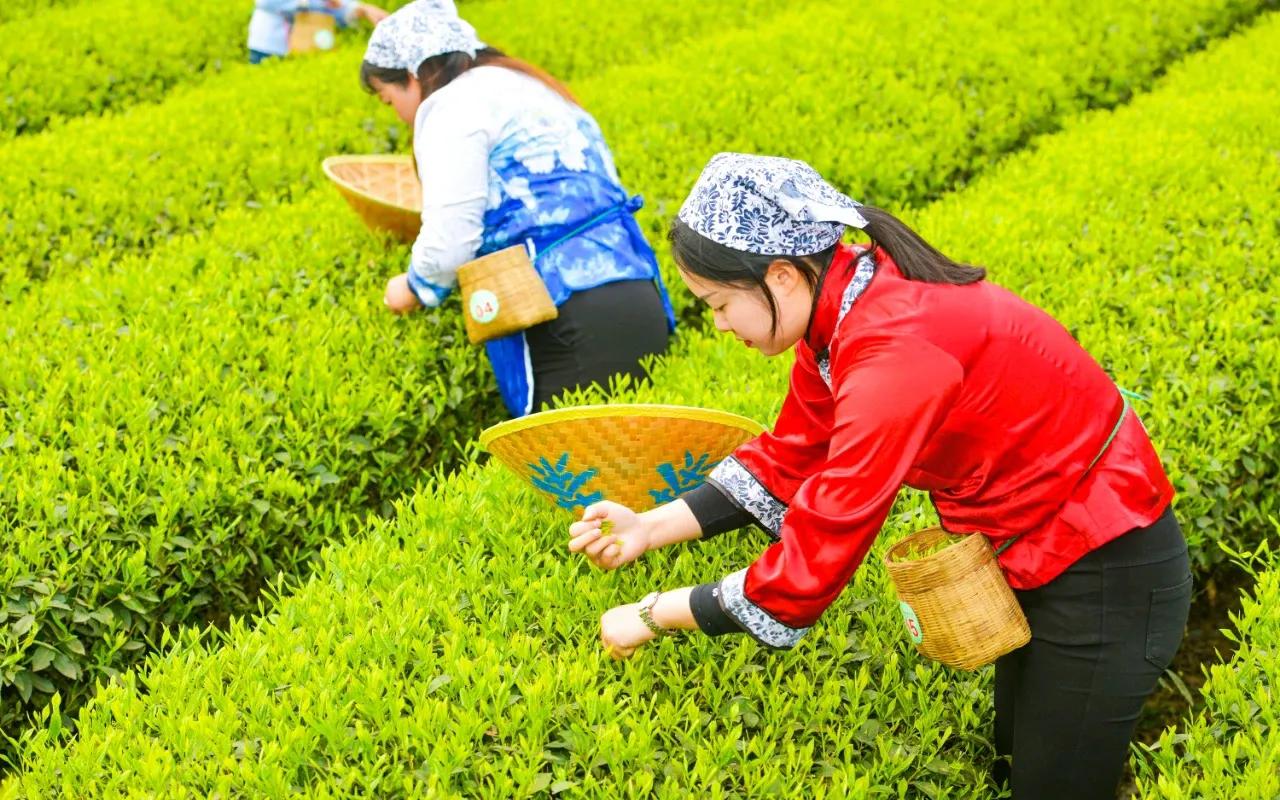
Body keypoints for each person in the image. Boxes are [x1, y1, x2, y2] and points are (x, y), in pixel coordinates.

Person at [566, 153, 1193, 799]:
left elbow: (820, 548)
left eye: (719, 303)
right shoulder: (848, 310)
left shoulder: (893, 347)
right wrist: (649, 526)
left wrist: (653, 614)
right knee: (1016, 757)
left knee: (1054, 786)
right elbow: (792, 453)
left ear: (781, 276)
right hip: (1037, 557)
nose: (720, 324)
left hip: (1105, 569)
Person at [360, 0, 675, 417]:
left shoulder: (451, 105)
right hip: (638, 294)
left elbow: (451, 240)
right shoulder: (529, 85)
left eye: (388, 99)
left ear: (414, 75)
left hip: (565, 320)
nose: (398, 115)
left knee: (564, 473)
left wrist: (414, 287)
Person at [248, 0, 387, 65]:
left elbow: (337, 6)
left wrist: (362, 9)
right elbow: (265, 2)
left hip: (306, 48)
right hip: (270, 47)